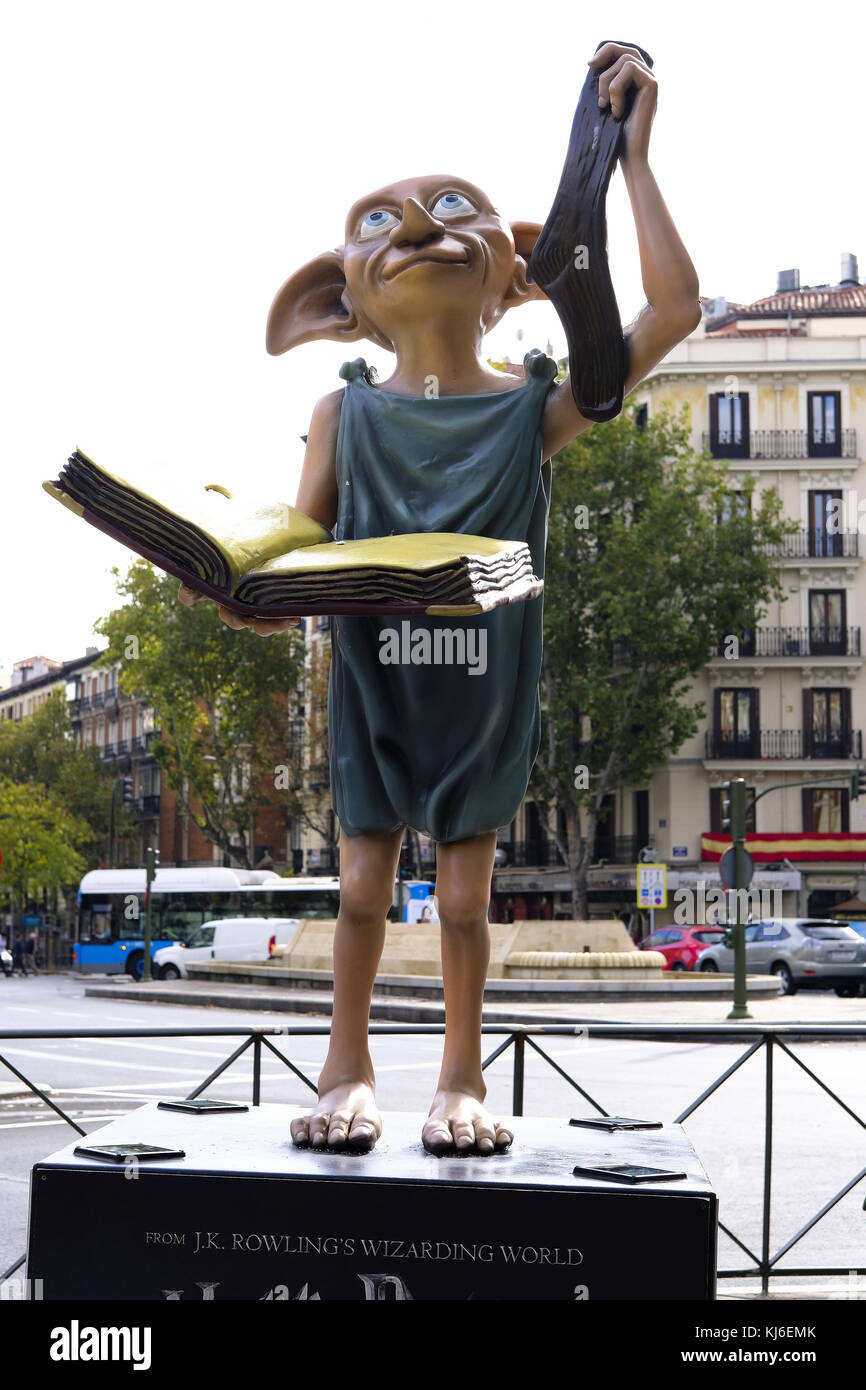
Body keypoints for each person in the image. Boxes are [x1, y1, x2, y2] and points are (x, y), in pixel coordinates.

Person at [180, 43, 700, 1154]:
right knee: (360, 890)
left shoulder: (536, 410)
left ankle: (460, 1077)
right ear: (337, 305)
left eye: (450, 208)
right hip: (377, 689)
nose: (414, 225)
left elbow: (672, 308)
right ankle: (346, 1063)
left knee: (464, 903)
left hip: (482, 693)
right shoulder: (343, 413)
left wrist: (635, 162)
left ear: (518, 273)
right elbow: (302, 538)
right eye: (379, 220)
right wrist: (243, 586)